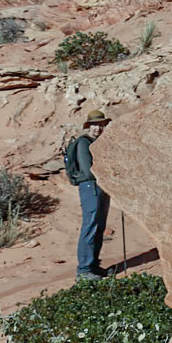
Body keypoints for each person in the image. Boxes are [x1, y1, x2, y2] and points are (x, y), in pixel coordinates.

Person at [64, 108, 111, 279]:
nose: (98, 129)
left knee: (99, 226)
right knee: (90, 224)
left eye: (101, 125)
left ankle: (93, 265)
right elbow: (87, 169)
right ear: (88, 126)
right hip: (90, 185)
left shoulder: (98, 143)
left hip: (101, 186)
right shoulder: (84, 143)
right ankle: (84, 270)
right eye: (95, 125)